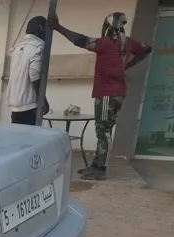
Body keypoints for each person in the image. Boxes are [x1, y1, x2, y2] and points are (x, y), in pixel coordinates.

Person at [49, 12, 152, 180]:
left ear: (108, 28)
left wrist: (58, 27)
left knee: (103, 131)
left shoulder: (106, 44)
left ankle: (101, 169)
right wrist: (129, 64)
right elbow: (147, 48)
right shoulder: (128, 43)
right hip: (116, 92)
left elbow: (80, 41)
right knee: (104, 129)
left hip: (107, 93)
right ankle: (96, 165)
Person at [7, 16, 50, 126]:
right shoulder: (39, 46)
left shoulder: (17, 48)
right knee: (30, 140)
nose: (47, 34)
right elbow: (34, 74)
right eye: (46, 29)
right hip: (30, 106)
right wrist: (43, 100)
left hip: (15, 106)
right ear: (41, 28)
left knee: (17, 140)